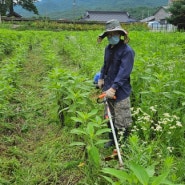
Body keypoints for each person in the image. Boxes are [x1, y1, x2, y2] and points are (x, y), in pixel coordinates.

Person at [97, 19, 135, 148]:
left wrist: (114, 88)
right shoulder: (108, 48)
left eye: (114, 34)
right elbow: (105, 65)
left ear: (120, 34)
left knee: (122, 119)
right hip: (107, 87)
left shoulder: (127, 51)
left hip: (120, 90)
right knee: (109, 116)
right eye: (109, 35)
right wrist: (101, 78)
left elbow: (124, 72)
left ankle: (123, 143)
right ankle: (112, 140)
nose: (111, 37)